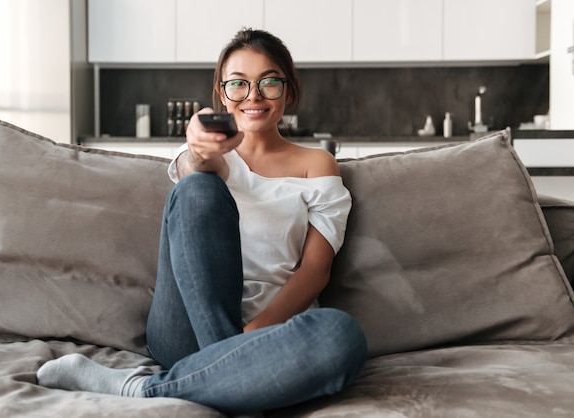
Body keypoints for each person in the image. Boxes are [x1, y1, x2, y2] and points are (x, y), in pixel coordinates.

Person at [37, 28, 368, 415]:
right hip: (185, 330)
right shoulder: (210, 151)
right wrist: (198, 147)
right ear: (221, 92)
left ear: (289, 89)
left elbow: (315, 270)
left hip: (274, 333)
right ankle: (235, 375)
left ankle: (147, 388)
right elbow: (200, 166)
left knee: (341, 335)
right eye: (238, 84)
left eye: (268, 82)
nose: (253, 96)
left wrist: (252, 337)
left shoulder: (317, 164)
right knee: (197, 190)